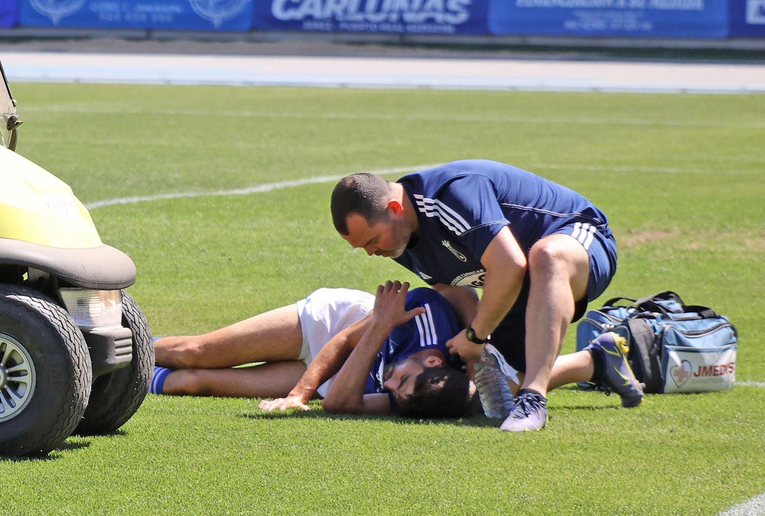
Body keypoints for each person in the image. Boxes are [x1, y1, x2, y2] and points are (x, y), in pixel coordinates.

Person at [330, 160, 625, 432]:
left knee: (547, 256)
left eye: (372, 241)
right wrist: (482, 351)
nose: (372, 252)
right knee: (491, 386)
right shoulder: (400, 236)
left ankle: (534, 399)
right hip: (521, 283)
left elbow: (510, 266)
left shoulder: (451, 194)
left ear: (395, 209)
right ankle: (597, 361)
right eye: (363, 248)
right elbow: (450, 287)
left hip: (581, 239)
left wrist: (476, 335)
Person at [153, 282, 638, 419]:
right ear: (431, 360)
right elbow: (345, 341)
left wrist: (317, 390)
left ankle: (595, 359)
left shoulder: (428, 393)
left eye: (395, 391)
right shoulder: (426, 317)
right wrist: (301, 394)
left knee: (189, 384)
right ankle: (97, 338)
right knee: (194, 353)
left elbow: (341, 401)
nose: (390, 385)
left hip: (336, 377)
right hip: (336, 326)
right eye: (400, 378)